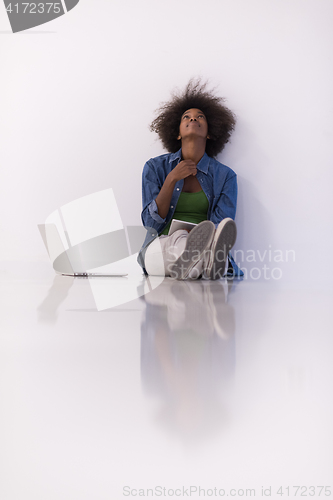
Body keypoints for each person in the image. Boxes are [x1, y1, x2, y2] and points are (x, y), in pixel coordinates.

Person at [138, 79, 243, 280]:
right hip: (161, 247)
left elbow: (222, 226)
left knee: (191, 244)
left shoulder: (225, 176)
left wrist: (200, 235)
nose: (193, 119)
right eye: (187, 117)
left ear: (210, 133)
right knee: (180, 239)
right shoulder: (155, 168)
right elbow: (150, 224)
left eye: (200, 117)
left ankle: (195, 262)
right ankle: (206, 263)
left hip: (200, 246)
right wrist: (171, 179)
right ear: (177, 133)